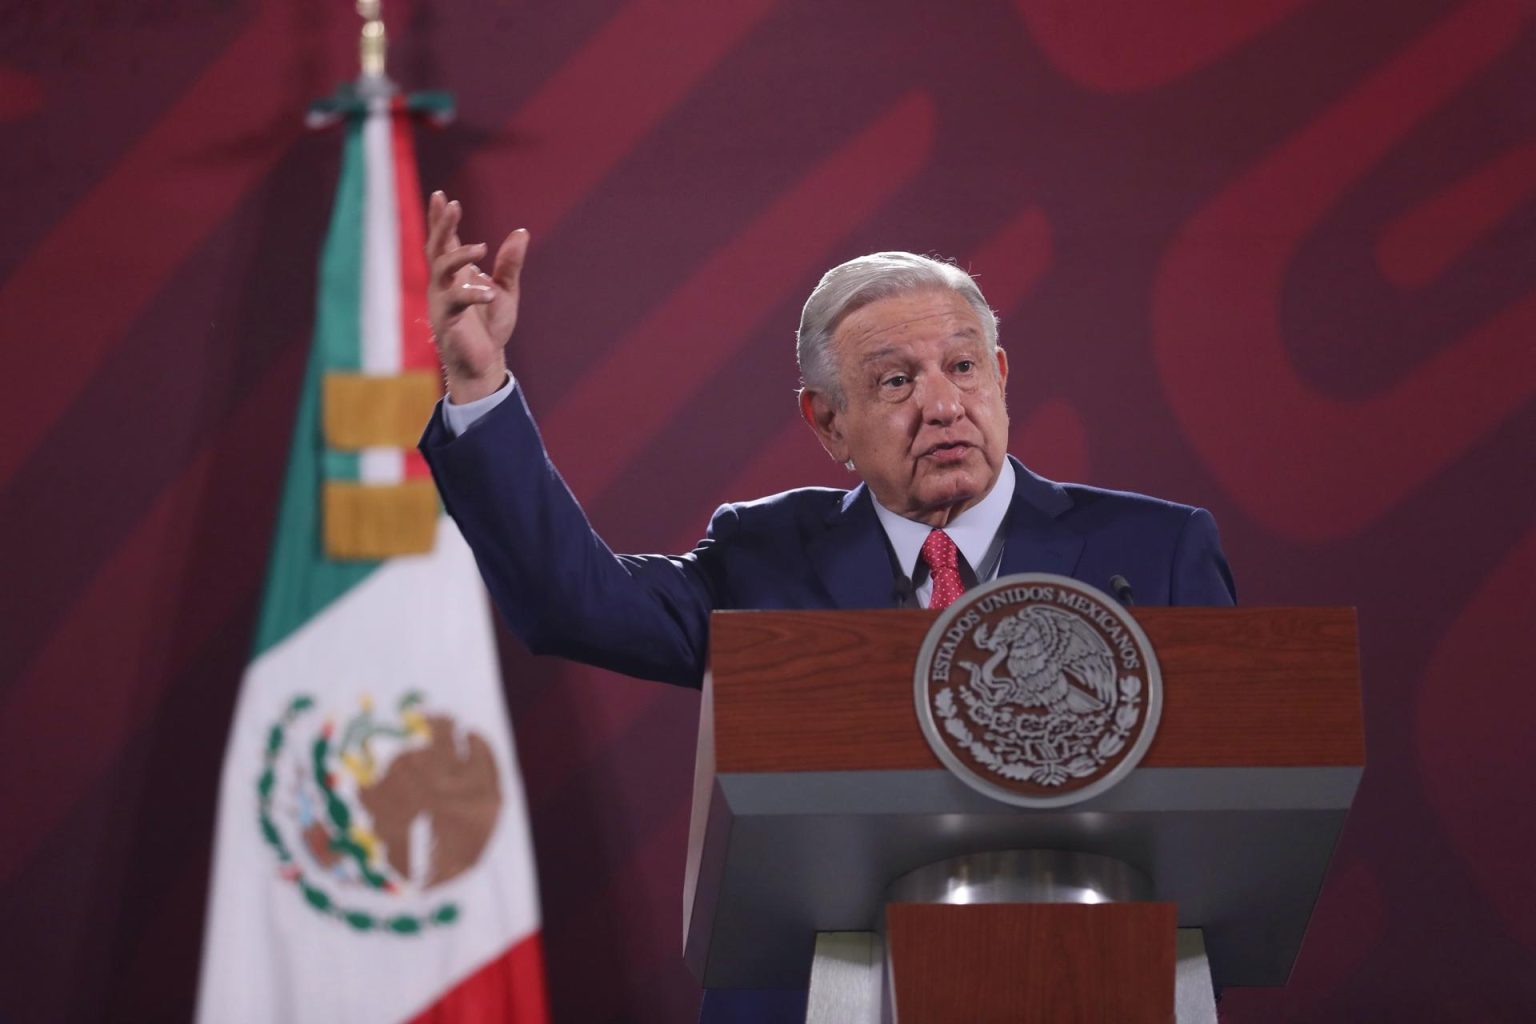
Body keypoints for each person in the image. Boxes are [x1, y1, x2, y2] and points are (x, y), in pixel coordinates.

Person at [417, 191, 1235, 1016]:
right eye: (895, 382)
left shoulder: (1153, 554)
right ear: (829, 424)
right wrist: (481, 387)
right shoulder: (765, 559)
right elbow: (573, 603)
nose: (944, 405)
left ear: (1002, 375)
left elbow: (1236, 806)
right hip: (823, 995)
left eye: (963, 366)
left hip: (1090, 982)